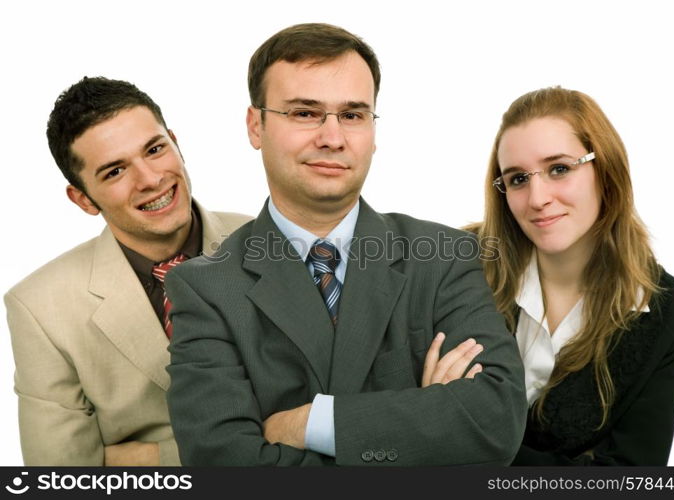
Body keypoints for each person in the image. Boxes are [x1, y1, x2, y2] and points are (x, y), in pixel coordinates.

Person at [165, 23, 527, 466]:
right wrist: (424, 428)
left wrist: (309, 424)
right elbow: (224, 465)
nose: (332, 137)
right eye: (304, 113)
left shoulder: (444, 256)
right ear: (255, 125)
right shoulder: (205, 288)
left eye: (353, 115)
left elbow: (494, 422)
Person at [4, 77, 251, 465]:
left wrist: (145, 457)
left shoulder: (272, 243)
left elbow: (327, 415)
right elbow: (61, 474)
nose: (151, 180)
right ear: (83, 199)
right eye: (115, 171)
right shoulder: (38, 307)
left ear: (176, 143)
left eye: (155, 149)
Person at [469, 86, 674, 465]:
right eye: (517, 179)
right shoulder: (459, 266)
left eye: (559, 169)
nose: (538, 198)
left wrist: (463, 434)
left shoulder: (669, 312)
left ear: (605, 169)